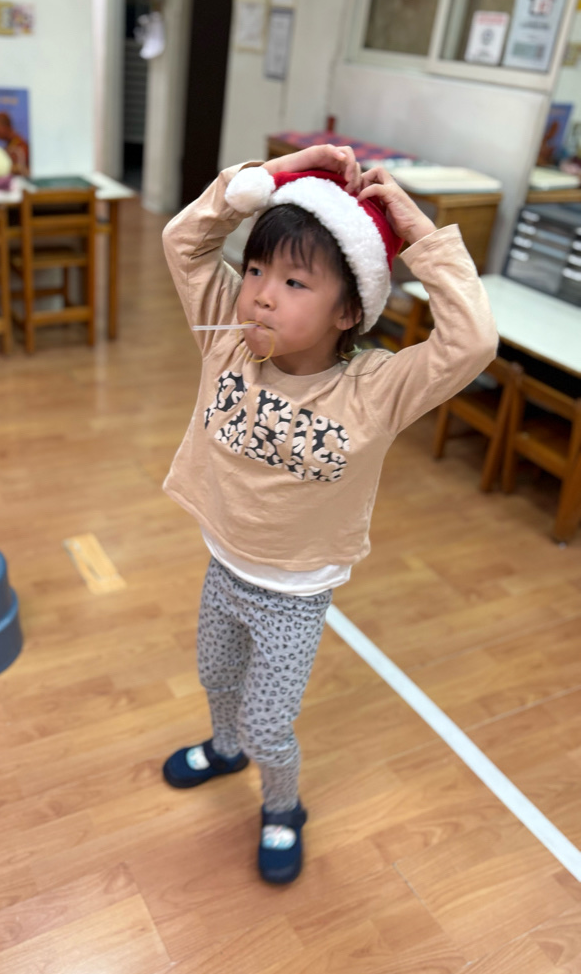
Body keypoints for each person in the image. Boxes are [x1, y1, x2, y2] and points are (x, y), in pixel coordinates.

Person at [159, 144, 498, 884]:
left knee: (268, 725)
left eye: (293, 282)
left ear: (348, 310)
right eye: (255, 270)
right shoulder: (227, 341)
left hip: (294, 595)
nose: (260, 296)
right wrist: (275, 175)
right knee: (216, 677)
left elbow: (472, 340)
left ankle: (282, 806)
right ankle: (223, 750)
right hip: (224, 564)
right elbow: (183, 240)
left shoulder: (377, 389)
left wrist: (418, 234)